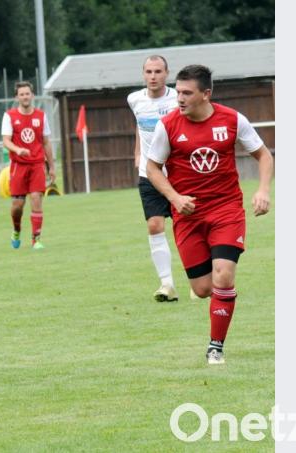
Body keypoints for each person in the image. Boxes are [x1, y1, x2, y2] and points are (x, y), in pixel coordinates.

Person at [146, 64, 274, 365]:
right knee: (203, 289)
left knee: (224, 276)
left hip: (226, 209)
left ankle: (215, 346)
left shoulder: (232, 119)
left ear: (206, 94)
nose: (179, 98)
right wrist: (174, 198)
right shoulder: (168, 125)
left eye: (187, 93)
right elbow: (152, 167)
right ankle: (215, 321)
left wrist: (263, 190)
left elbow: (263, 154)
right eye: (178, 92)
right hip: (188, 216)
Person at [127, 55, 180, 302]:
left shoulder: (178, 99)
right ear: (143, 74)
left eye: (158, 71)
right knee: (154, 225)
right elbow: (140, 127)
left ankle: (200, 277)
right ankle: (167, 284)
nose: (153, 76)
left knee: (190, 225)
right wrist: (138, 152)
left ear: (167, 73)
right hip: (149, 173)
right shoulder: (134, 100)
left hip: (179, 172)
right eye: (148, 71)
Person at [1, 81, 55, 250]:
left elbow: (46, 142)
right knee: (17, 206)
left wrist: (52, 167)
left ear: (32, 95)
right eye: (21, 94)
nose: (25, 97)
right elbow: (6, 141)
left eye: (27, 93)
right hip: (18, 165)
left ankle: (36, 239)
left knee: (36, 198)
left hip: (37, 164)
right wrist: (18, 150)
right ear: (17, 97)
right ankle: (16, 229)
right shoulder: (9, 116)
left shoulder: (41, 116)